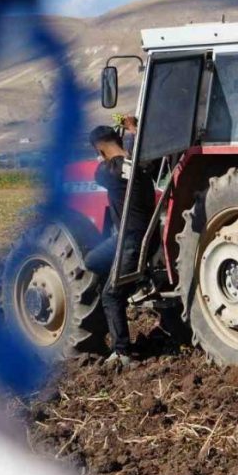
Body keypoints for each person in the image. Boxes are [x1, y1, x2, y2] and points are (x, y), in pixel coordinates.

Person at [82, 126, 155, 367]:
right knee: (93, 260)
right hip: (136, 236)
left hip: (131, 239)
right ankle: (127, 281)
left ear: (99, 150)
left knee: (110, 295)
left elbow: (102, 169)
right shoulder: (143, 165)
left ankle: (122, 352)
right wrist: (133, 132)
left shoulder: (106, 172)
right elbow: (128, 159)